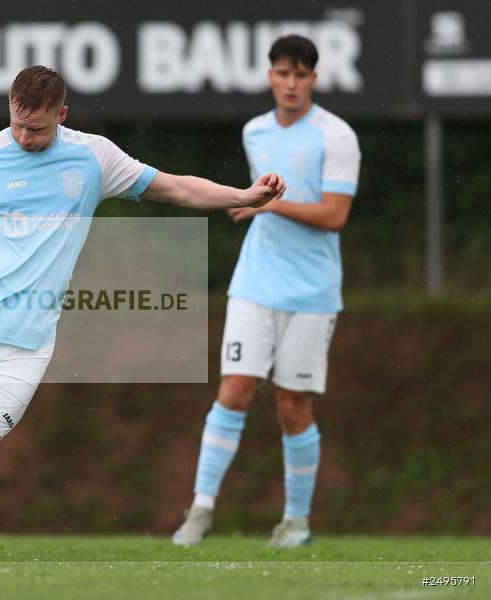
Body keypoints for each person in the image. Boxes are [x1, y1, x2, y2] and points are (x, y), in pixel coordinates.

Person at [0, 65, 285, 557]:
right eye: (16, 122)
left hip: (27, 344)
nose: (23, 135)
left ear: (62, 114)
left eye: (36, 127)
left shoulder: (94, 158)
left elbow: (175, 187)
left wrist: (245, 195)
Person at [171, 35, 361, 548]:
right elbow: (266, 196)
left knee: (291, 403)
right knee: (233, 389)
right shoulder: (254, 131)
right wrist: (254, 202)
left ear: (314, 80)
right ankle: (200, 510)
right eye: (283, 73)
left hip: (312, 290)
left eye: (301, 75)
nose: (291, 83)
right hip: (255, 282)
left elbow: (334, 215)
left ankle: (295, 522)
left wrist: (270, 206)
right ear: (271, 76)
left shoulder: (336, 136)